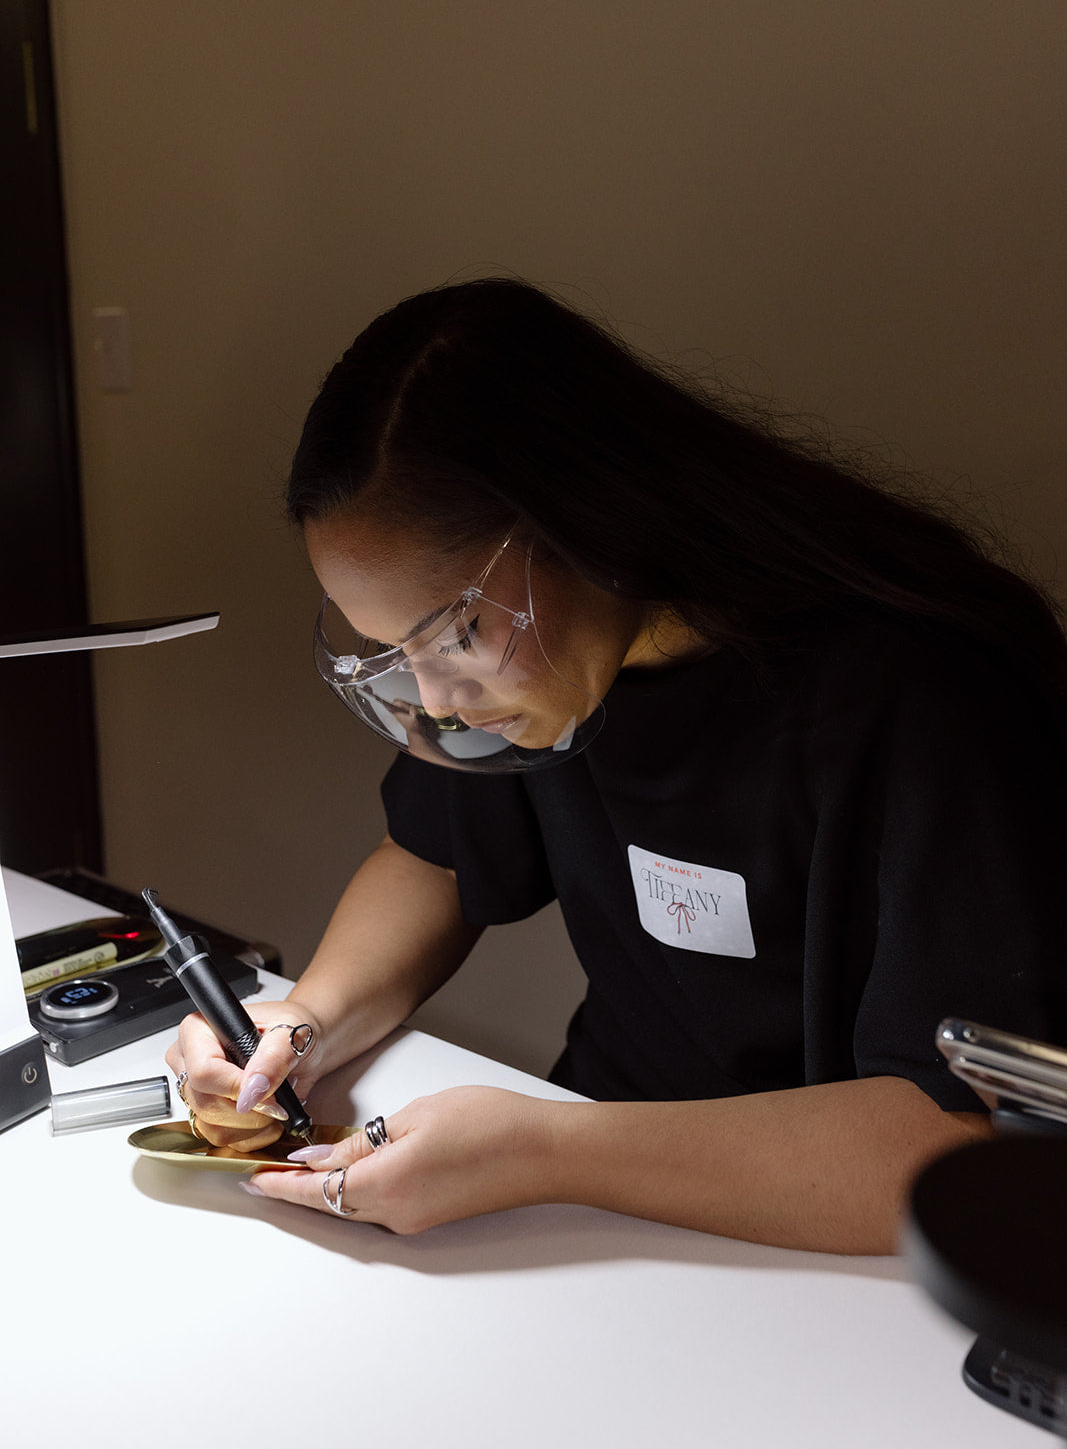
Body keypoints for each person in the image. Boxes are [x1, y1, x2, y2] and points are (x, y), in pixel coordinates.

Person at [168, 278, 1067, 1253]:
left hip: (848, 1236)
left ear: (583, 521)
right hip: (606, 1197)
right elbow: (436, 857)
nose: (436, 699)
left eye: (456, 636)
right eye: (393, 653)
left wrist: (543, 1149)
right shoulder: (549, 676)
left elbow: (955, 1141)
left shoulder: (929, 691)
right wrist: (302, 1023)